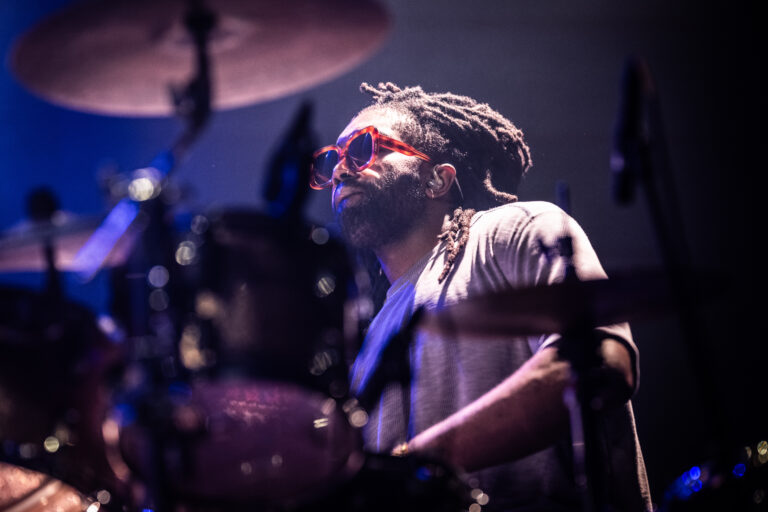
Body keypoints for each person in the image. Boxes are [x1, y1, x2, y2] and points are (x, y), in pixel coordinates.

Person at [309, 82, 652, 511]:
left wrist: (418, 465)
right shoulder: (367, 342)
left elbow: (604, 364)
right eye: (332, 160)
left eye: (362, 148)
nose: (341, 170)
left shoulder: (513, 230)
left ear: (438, 178)